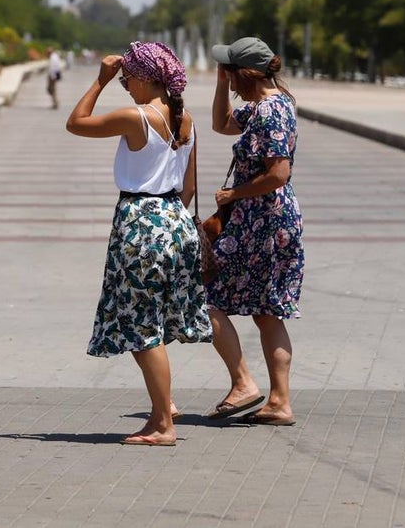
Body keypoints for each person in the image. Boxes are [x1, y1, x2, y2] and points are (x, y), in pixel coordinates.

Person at [65, 41, 212, 446]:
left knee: (142, 327)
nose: (126, 85)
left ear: (148, 78)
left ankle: (164, 423)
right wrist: (168, 223)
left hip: (141, 224)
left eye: (129, 79)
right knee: (148, 324)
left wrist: (100, 81)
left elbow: (76, 122)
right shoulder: (187, 121)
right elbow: (190, 187)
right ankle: (161, 411)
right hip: (174, 222)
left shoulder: (137, 118)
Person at [205, 36, 304, 426]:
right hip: (262, 221)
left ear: (245, 73)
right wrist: (217, 82)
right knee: (267, 312)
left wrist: (234, 193)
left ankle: (244, 384)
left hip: (263, 222)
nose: (227, 78)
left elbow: (279, 173)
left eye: (229, 72)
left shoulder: (270, 111)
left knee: (205, 298)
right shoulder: (266, 106)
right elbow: (220, 124)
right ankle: (279, 402)